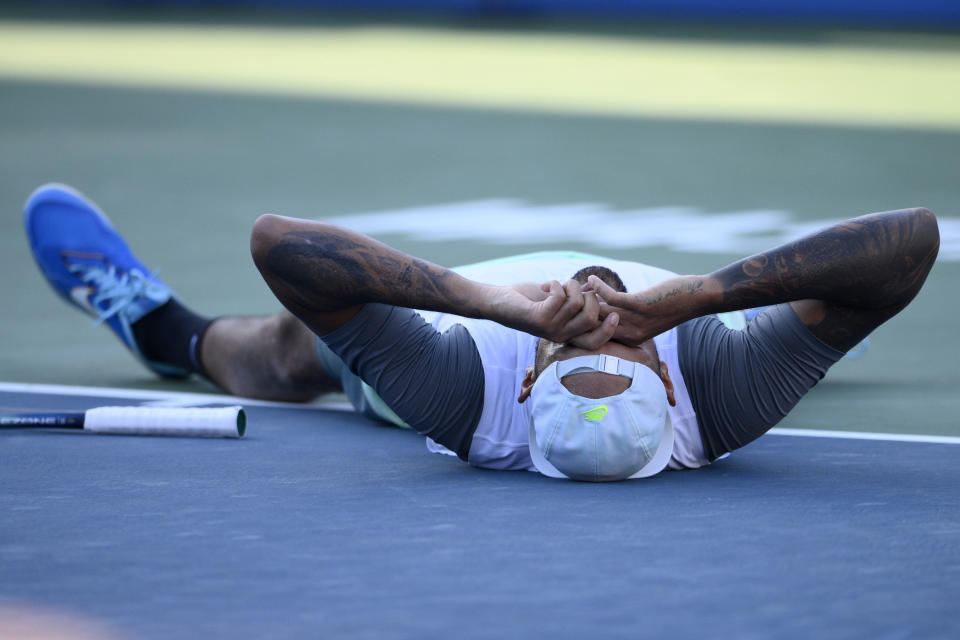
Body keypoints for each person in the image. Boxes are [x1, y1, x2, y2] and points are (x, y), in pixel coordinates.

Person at [25, 184, 940, 481]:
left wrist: (499, 307)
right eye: (618, 344)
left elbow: (281, 247)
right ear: (666, 382)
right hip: (714, 337)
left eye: (572, 347)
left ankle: (165, 335)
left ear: (531, 381)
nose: (595, 322)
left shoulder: (474, 399)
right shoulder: (715, 391)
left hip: (458, 339)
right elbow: (911, 241)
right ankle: (813, 333)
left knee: (297, 349)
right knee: (824, 304)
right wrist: (690, 300)